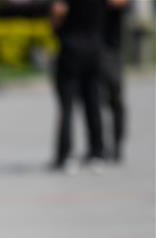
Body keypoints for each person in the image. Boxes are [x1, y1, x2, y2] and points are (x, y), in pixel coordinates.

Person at [50, 0, 106, 171]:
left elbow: (57, 13)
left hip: (71, 51)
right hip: (94, 50)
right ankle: (97, 153)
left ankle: (65, 155)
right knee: (93, 105)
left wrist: (56, 22)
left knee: (67, 107)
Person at [101, 0, 130, 163]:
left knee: (115, 98)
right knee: (92, 102)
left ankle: (117, 145)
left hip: (111, 49)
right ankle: (96, 147)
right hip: (91, 46)